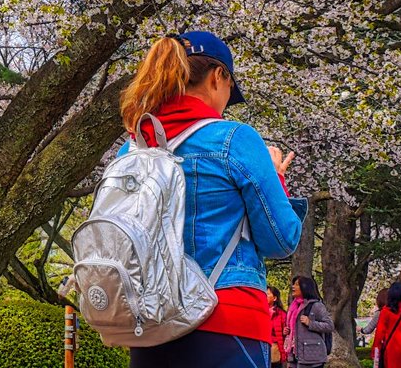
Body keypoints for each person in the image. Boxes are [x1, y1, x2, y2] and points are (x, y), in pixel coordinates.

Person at [117, 33, 306, 367]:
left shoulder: (133, 147)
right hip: (226, 320)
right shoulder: (234, 139)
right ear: (219, 76)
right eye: (230, 89)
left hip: (150, 323)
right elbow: (281, 239)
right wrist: (276, 176)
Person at [283, 276, 333, 368]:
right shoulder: (293, 307)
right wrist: (287, 331)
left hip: (312, 357)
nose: (293, 287)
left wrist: (310, 323)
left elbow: (329, 326)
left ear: (305, 287)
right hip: (294, 356)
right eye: (293, 284)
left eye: (297, 284)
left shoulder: (317, 305)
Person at [269, 287, 287, 368]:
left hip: (275, 351)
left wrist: (286, 331)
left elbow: (286, 334)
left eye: (268, 294)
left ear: (275, 298)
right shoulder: (259, 312)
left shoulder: (281, 314)